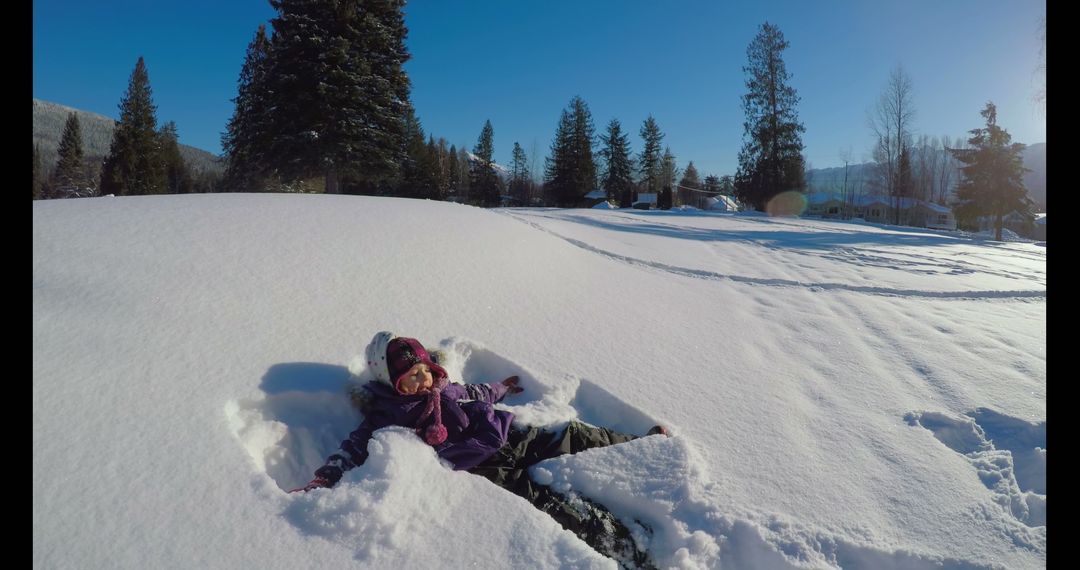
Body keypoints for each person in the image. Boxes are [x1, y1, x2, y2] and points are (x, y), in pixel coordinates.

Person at [292, 331, 666, 569]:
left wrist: (501, 388)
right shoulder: (387, 416)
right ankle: (622, 545)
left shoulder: (447, 388)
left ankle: (639, 445)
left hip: (509, 434)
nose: (422, 380)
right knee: (546, 502)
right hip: (485, 466)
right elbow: (353, 448)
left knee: (571, 433)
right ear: (389, 383)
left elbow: (479, 393)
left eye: (423, 370)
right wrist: (326, 475)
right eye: (410, 377)